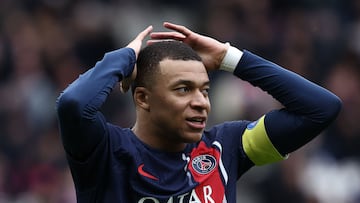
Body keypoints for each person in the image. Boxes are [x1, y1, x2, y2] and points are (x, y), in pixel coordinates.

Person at [56, 22, 342, 202]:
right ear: (143, 98)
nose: (201, 102)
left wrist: (230, 58)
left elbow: (320, 109)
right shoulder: (106, 153)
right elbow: (74, 104)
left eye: (204, 90)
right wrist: (125, 57)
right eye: (183, 89)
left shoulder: (226, 147)